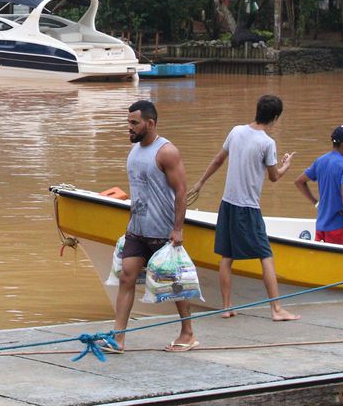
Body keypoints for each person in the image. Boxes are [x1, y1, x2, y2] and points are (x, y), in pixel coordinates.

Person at [188, 94, 298, 321]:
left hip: (227, 203)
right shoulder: (267, 143)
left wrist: (200, 182)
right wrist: (286, 165)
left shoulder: (236, 131)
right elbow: (274, 177)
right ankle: (276, 310)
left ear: (257, 110)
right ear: (275, 118)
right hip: (248, 207)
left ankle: (226, 307)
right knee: (265, 255)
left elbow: (219, 159)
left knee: (227, 257)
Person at [109, 100, 196, 353]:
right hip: (136, 230)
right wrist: (129, 226)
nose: (129, 128)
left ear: (150, 123)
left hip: (162, 231)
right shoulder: (134, 150)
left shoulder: (166, 152)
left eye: (134, 123)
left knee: (174, 283)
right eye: (128, 122)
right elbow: (138, 192)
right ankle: (119, 338)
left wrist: (177, 229)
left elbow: (181, 192)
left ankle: (188, 333)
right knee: (127, 276)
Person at [294, 125, 343, 246]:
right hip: (339, 229)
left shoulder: (320, 161)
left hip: (321, 227)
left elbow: (299, 182)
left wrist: (316, 202)